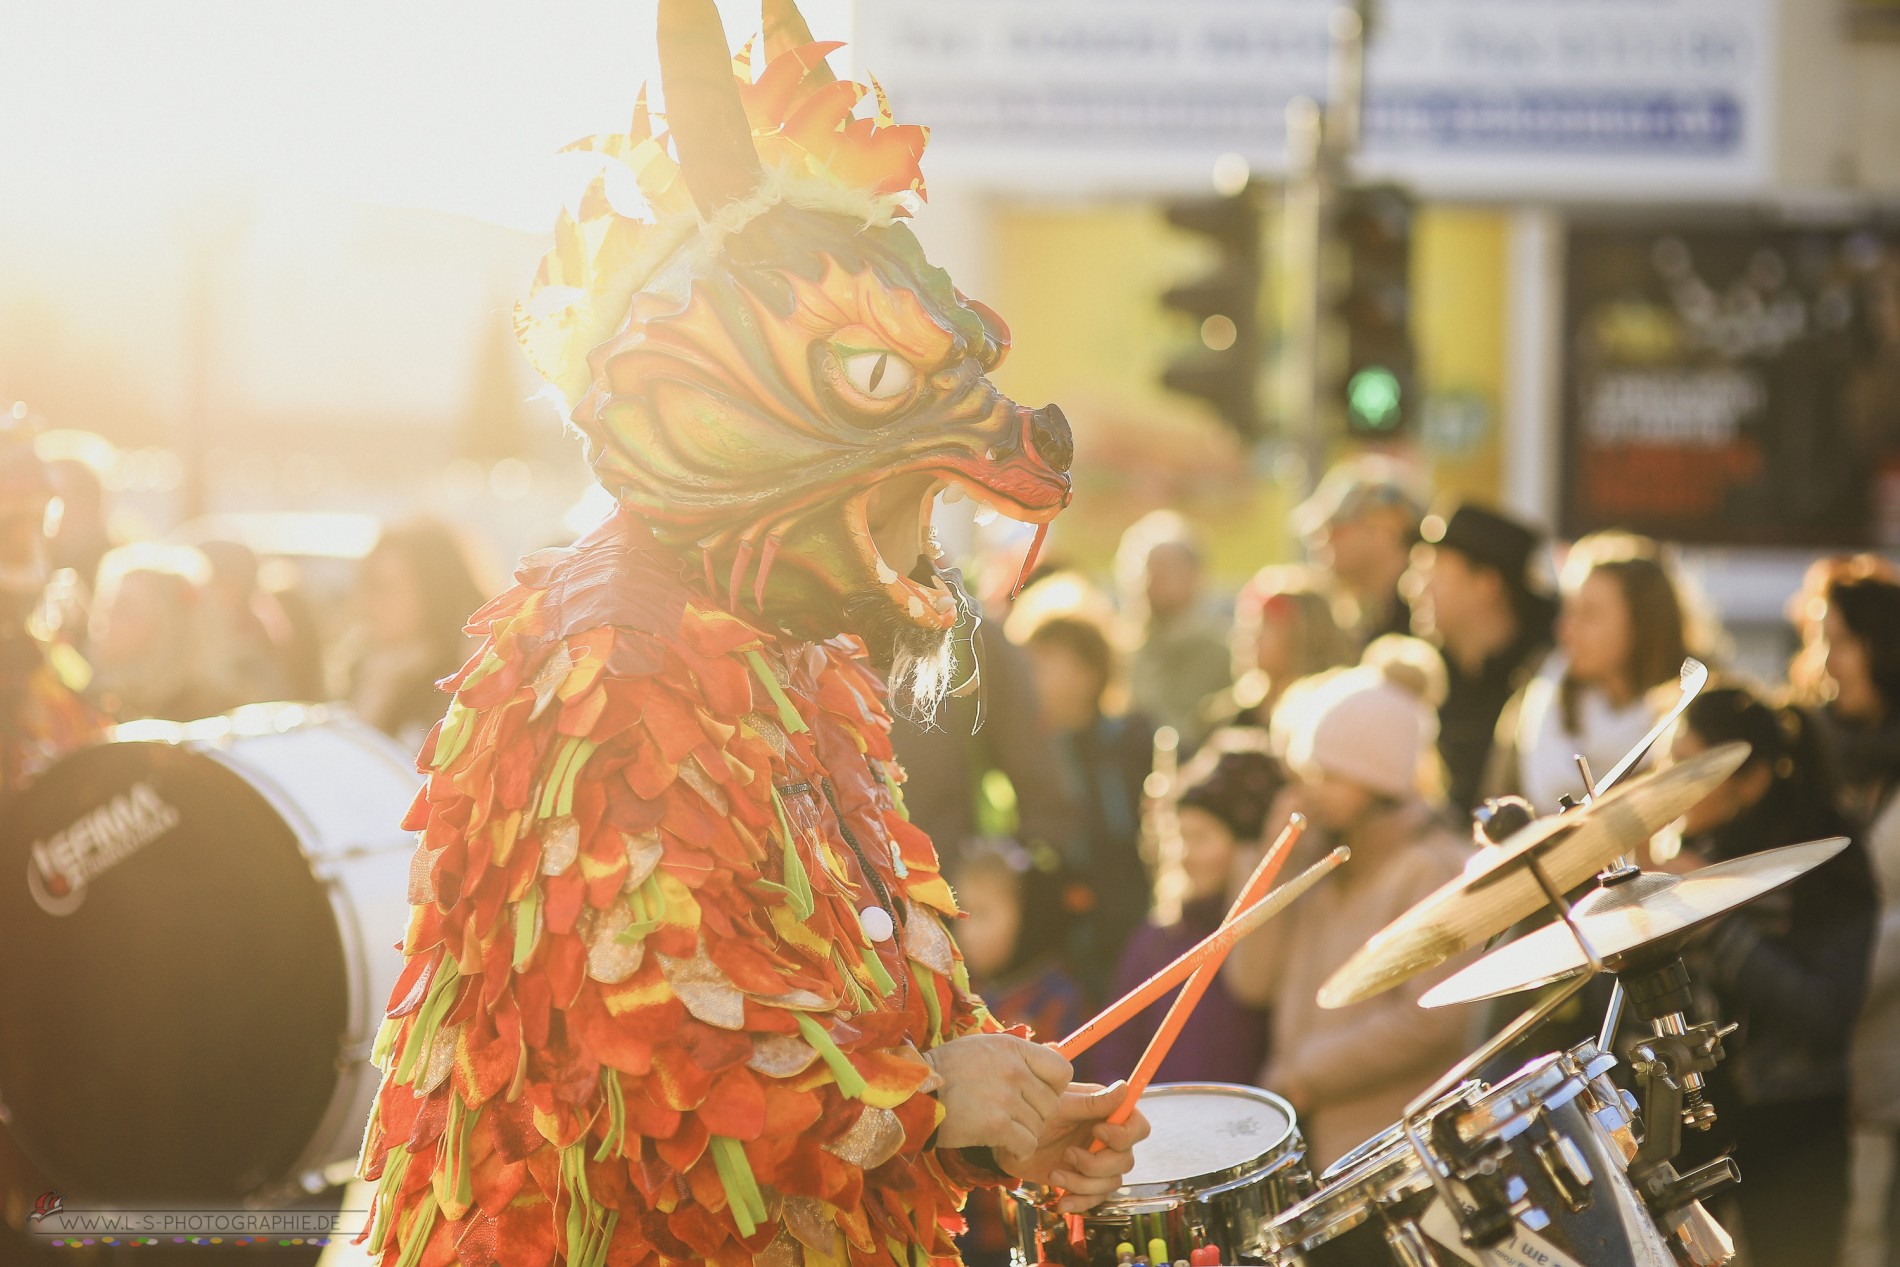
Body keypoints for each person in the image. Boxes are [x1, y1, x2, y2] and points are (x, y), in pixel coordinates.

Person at [355, 6, 1148, 1264]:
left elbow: (847, 992)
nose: (927, 524)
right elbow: (654, 1045)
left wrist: (1002, 1117)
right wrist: (933, 1094)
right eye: (875, 390)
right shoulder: (604, 653)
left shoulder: (804, 651)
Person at [1222, 645, 1476, 1166]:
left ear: (1381, 782)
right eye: (1312, 772)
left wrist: (1305, 1075)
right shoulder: (1319, 863)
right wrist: (1275, 862)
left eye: (1334, 775)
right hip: (1317, 1147)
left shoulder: (1432, 866)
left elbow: (1431, 1018)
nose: (1315, 790)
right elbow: (1249, 980)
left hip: (1399, 1146)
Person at [1660, 685, 1876, 1267]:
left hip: (1796, 1124)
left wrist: (1716, 926)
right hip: (1704, 1121)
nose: (1670, 785)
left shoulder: (1825, 863)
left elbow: (1824, 1013)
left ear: (1749, 779)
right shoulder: (1694, 848)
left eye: (1689, 767)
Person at [1094, 735, 1279, 1088]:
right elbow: (1115, 1048)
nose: (1185, 854)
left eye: (1202, 837)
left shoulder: (1265, 946)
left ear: (1246, 848)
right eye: (1179, 836)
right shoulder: (1157, 939)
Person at [1808, 567, 1900, 1267]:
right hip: (1822, 1057)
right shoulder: (1813, 759)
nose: (1826, 662)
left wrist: (1825, 977)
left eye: (1841, 641)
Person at [1488, 532, 1690, 813]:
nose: (1565, 630)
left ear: (1644, 624)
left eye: (1589, 614)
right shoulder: (1530, 708)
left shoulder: (1694, 718)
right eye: (1568, 611)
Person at [1022, 612, 1155, 997]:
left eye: (1043, 663)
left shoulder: (1132, 743)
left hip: (1128, 919)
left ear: (1089, 675)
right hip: (1061, 940)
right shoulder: (1027, 754)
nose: (1030, 677)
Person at [1408, 503, 1558, 817]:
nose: (1413, 588)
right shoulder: (1426, 674)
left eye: (1432, 573)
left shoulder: (1553, 676)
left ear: (1485, 585)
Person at [337, 518, 489, 749]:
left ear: (434, 590)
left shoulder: (470, 675)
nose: (366, 604)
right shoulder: (366, 668)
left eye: (382, 587)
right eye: (365, 585)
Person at [1114, 510, 1231, 748]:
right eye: (1147, 570)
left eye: (1167, 569)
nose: (1152, 580)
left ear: (1194, 576)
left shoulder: (1223, 653)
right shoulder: (1124, 649)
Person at [1198, 565, 1352, 736]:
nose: (1251, 636)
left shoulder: (1334, 711)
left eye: (1264, 625)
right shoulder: (1228, 718)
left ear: (1303, 634)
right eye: (1247, 625)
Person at [1293, 455, 1425, 649]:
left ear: (1387, 529)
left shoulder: (1428, 619)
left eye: (1336, 527)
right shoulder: (1363, 621)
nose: (1321, 540)